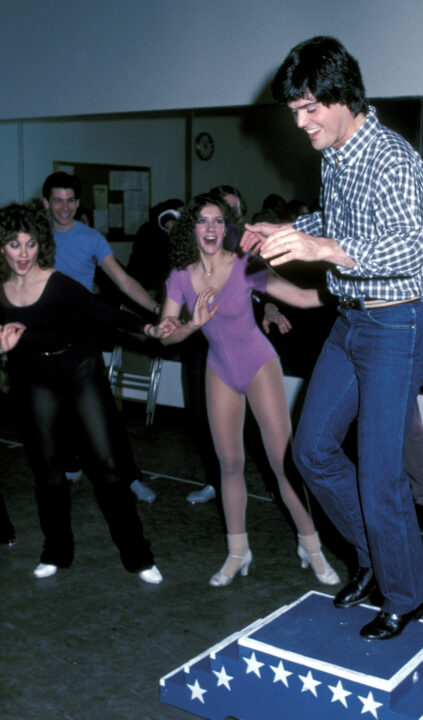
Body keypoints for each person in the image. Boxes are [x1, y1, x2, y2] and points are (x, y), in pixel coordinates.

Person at [241, 36, 423, 640]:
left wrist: (322, 250)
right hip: (351, 320)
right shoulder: (337, 154)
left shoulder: (392, 157)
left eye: (308, 109)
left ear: (342, 96)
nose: (300, 124)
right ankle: (377, 562)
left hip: (398, 323)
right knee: (312, 451)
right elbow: (343, 223)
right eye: (293, 112)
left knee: (380, 476)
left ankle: (406, 594)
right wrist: (293, 227)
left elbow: (407, 246)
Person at [160, 192, 339, 588]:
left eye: (218, 221)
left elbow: (303, 298)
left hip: (259, 363)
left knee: (282, 464)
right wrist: (193, 323)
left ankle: (311, 546)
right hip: (219, 369)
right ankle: (238, 551)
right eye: (203, 221)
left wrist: (347, 288)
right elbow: (167, 335)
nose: (211, 228)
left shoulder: (245, 267)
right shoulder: (178, 277)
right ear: (192, 227)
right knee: (230, 464)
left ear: (227, 229)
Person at [0, 203, 175, 581]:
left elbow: (101, 310)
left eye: (31, 244)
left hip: (79, 370)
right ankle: (57, 552)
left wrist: (147, 328)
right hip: (34, 376)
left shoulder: (57, 282)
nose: (24, 254)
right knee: (48, 469)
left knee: (107, 467)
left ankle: (138, 557)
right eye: (14, 245)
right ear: (2, 247)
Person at [42, 171, 159, 501]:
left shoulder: (91, 238)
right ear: (46, 203)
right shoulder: (36, 238)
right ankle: (70, 460)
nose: (64, 208)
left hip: (81, 334)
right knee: (53, 409)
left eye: (70, 201)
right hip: (44, 337)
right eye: (57, 201)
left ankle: (130, 475)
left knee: (103, 410)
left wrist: (155, 309)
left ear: (78, 203)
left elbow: (123, 281)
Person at [185, 185, 291, 506]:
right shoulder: (194, 247)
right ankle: (214, 481)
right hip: (204, 341)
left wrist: (270, 306)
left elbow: (265, 287)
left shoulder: (247, 249)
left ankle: (278, 482)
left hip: (243, 341)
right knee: (204, 416)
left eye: (233, 211)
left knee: (259, 419)